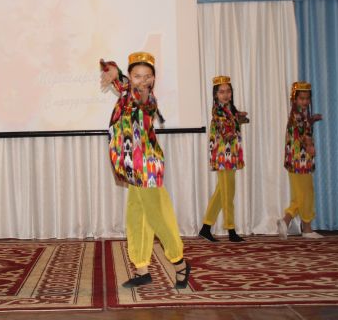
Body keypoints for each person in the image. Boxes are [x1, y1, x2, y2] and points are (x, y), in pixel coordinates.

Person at [100, 52, 191, 289]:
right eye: (137, 76)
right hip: (132, 168)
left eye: (147, 76)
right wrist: (112, 70)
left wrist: (119, 75)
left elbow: (134, 92)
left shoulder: (147, 98)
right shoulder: (125, 95)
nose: (143, 80)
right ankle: (142, 269)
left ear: (153, 79)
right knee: (136, 217)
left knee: (158, 215)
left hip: (148, 167)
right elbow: (122, 86)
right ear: (131, 76)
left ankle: (179, 262)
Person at [199, 76, 249, 243]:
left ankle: (206, 228)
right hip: (223, 157)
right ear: (216, 94)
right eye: (222, 92)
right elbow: (226, 133)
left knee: (222, 192)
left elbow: (233, 125)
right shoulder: (218, 111)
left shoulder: (229, 110)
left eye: (228, 91)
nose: (226, 95)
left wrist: (239, 118)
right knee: (228, 194)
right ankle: (231, 229)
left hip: (230, 156)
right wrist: (236, 123)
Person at [277, 81, 323, 239]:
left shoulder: (300, 115)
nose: (305, 101)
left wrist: (312, 120)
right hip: (299, 160)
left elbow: (303, 128)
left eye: (307, 98)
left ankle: (304, 227)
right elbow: (303, 135)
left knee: (303, 194)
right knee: (305, 194)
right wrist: (309, 146)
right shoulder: (297, 115)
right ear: (294, 99)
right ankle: (290, 220)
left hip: (297, 160)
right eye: (301, 98)